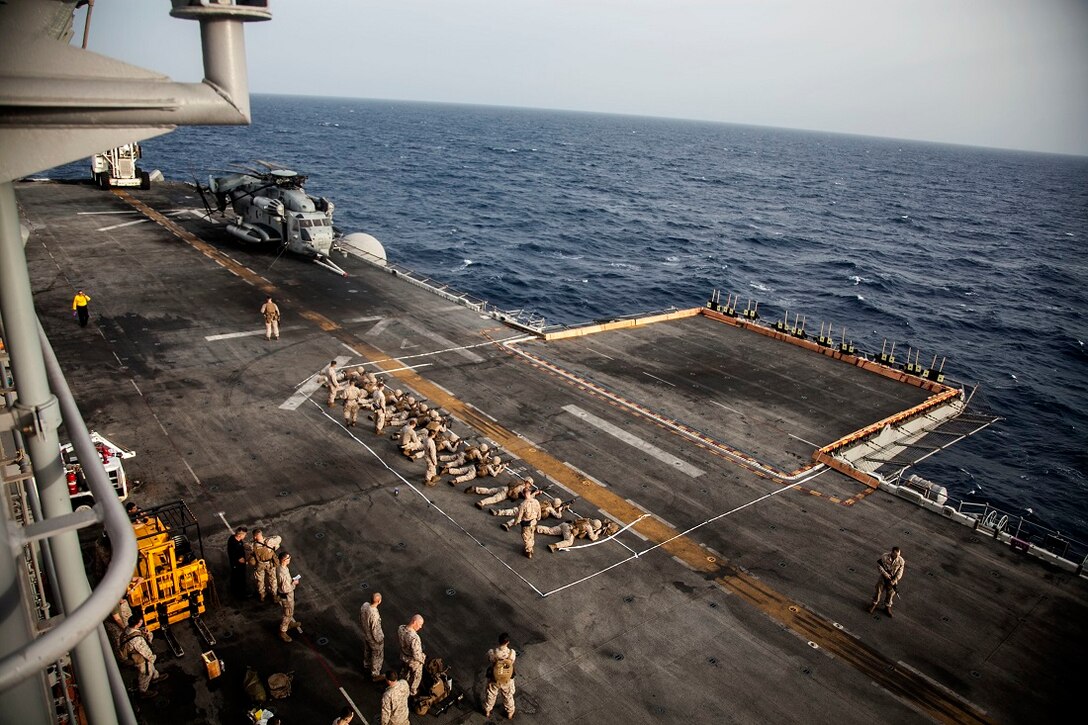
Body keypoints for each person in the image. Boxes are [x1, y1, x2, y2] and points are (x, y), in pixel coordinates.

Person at [120, 612, 168, 699]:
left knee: (151, 668)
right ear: (136, 624)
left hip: (133, 655)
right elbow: (145, 651)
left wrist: (142, 631)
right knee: (145, 673)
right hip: (140, 659)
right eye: (140, 623)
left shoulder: (126, 630)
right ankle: (143, 691)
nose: (142, 623)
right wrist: (152, 658)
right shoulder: (137, 640)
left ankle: (155, 677)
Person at [483, 632, 516, 720]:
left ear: (499, 641)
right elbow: (512, 662)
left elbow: (488, 658)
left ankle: (487, 711)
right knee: (508, 696)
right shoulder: (511, 653)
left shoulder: (492, 653)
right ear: (507, 642)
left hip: (495, 679)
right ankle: (510, 713)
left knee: (491, 695)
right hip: (507, 679)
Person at [869, 546, 905, 617]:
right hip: (883, 578)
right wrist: (885, 574)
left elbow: (900, 572)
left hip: (892, 579)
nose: (897, 556)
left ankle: (887, 607)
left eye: (898, 554)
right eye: (896, 554)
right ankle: (874, 604)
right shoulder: (884, 557)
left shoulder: (901, 561)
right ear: (892, 552)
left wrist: (894, 580)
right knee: (878, 591)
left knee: (890, 594)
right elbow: (879, 566)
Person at [276, 551, 303, 641]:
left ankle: (289, 623)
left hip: (287, 595)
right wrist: (294, 583)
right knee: (288, 613)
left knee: (289, 611)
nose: (289, 559)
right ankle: (283, 631)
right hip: (286, 596)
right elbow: (285, 589)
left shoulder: (282, 567)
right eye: (288, 558)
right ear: (284, 560)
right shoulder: (282, 573)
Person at [397, 614, 426, 697]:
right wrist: (423, 658)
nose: (420, 627)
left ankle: (401, 684)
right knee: (416, 677)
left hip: (403, 656)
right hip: (412, 661)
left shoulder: (400, 628)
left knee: (404, 672)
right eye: (420, 624)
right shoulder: (414, 638)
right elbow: (417, 656)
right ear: (414, 622)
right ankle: (412, 691)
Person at [360, 591, 385, 681]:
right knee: (377, 654)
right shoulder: (374, 614)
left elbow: (361, 617)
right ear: (379, 601)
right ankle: (375, 673)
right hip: (373, 637)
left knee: (367, 650)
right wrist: (380, 640)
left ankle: (366, 664)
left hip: (366, 633)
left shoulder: (365, 605)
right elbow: (375, 629)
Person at [250, 529, 278, 603]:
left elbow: (247, 549)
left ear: (255, 537)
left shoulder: (253, 546)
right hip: (270, 564)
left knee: (260, 580)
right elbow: (278, 539)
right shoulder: (270, 542)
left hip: (260, 565)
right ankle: (274, 595)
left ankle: (262, 595)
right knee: (273, 579)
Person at [512, 488, 542, 559]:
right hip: (534, 522)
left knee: (525, 537)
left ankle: (528, 551)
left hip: (526, 524)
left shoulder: (523, 504)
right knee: (531, 535)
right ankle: (531, 547)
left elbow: (519, 516)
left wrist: (516, 522)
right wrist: (538, 518)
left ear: (523, 494)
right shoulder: (536, 501)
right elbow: (539, 511)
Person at [228, 526, 248, 599]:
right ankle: (241, 595)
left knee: (238, 578)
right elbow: (239, 558)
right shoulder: (234, 543)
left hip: (237, 563)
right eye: (244, 534)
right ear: (240, 535)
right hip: (237, 565)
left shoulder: (236, 539)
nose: (245, 536)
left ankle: (238, 592)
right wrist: (247, 561)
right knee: (240, 579)